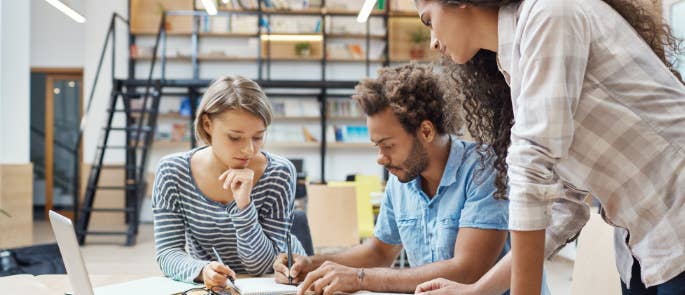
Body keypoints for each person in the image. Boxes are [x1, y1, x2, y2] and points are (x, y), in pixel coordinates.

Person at [411, 0, 685, 294]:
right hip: (646, 240)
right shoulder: (517, 61)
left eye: (429, 21)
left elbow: (532, 163)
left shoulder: (550, 12)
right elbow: (562, 205)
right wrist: (477, 290)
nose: (434, 42)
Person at [273, 64, 529, 295]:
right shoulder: (402, 180)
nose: (381, 159)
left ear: (426, 131)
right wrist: (312, 264)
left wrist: (361, 278)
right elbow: (380, 252)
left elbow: (467, 270)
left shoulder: (484, 169)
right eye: (376, 146)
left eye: (388, 145)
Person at [151, 76, 305, 288]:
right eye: (235, 137)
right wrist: (201, 270)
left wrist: (243, 206)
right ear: (207, 124)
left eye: (258, 137)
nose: (249, 150)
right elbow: (168, 252)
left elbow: (260, 266)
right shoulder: (173, 171)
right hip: (215, 286)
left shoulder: (279, 173)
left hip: (271, 283)